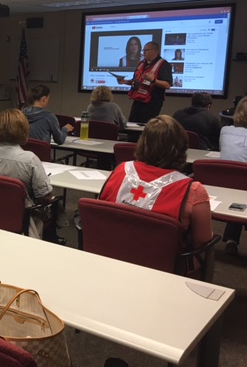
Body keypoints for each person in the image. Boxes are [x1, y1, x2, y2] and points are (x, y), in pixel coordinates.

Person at [99, 115, 214, 257]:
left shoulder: (120, 170)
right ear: (181, 147)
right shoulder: (193, 190)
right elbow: (203, 240)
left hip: (110, 255)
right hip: (160, 266)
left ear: (142, 143)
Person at [0, 109, 63, 243]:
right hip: (19, 218)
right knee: (55, 204)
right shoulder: (30, 159)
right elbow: (44, 196)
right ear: (23, 131)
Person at [117, 41, 173, 124]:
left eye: (146, 50)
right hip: (138, 100)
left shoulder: (164, 65)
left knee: (146, 127)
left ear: (155, 51)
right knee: (131, 125)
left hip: (152, 103)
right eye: (143, 50)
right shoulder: (141, 63)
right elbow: (136, 81)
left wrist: (153, 80)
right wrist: (124, 81)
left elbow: (167, 85)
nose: (143, 53)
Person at [218, 97, 247, 254]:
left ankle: (231, 240)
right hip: (242, 186)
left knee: (239, 185)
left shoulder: (225, 131)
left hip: (225, 185)